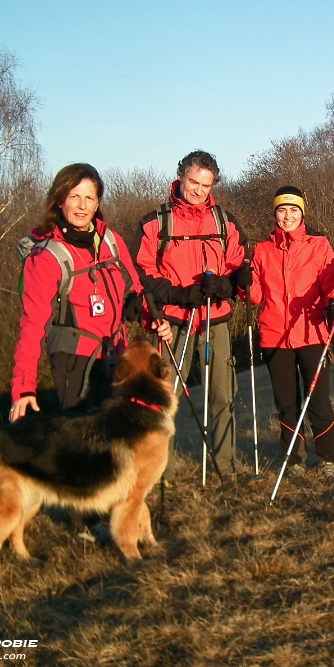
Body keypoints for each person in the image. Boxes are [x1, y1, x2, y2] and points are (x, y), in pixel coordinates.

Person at [10, 163, 169, 422]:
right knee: (84, 447)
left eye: (89, 198)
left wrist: (153, 320)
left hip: (119, 357)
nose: (82, 205)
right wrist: (24, 388)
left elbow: (135, 291)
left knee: (118, 439)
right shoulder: (48, 257)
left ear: (97, 204)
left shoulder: (111, 241)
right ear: (60, 201)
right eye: (74, 197)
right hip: (74, 363)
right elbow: (31, 326)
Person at [135, 150, 247, 483]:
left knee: (223, 396)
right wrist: (181, 295)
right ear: (181, 176)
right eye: (193, 182)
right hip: (174, 322)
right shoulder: (156, 222)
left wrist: (224, 286)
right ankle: (160, 472)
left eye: (205, 185)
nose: (198, 190)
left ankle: (225, 465)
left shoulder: (224, 221)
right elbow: (142, 273)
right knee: (163, 400)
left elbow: (238, 265)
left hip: (216, 320)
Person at [247, 186, 334, 482]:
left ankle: (328, 459)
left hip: (312, 332)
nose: (287, 216)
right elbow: (254, 296)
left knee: (318, 401)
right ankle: (294, 460)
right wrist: (241, 281)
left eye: (293, 210)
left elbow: (331, 282)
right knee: (287, 404)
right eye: (281, 210)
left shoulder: (319, 245)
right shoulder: (263, 249)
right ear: (274, 213)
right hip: (275, 335)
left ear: (302, 213)